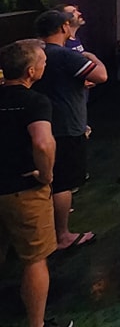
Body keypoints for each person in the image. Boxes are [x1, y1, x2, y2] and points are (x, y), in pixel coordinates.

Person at [33, 9, 107, 251]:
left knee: (43, 178)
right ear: (64, 27)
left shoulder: (33, 53)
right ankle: (62, 235)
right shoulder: (66, 55)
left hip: (40, 124)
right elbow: (101, 76)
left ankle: (41, 229)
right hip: (66, 125)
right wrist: (92, 57)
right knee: (63, 183)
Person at [0, 40, 62, 327]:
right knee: (35, 259)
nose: (45, 65)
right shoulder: (35, 101)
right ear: (30, 72)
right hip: (23, 189)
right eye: (42, 62)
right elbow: (43, 143)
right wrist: (46, 175)